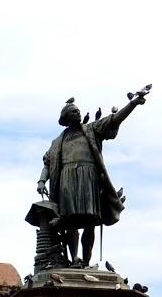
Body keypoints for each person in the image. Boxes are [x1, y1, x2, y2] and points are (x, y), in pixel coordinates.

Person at [37, 89, 147, 266]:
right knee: (70, 221)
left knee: (90, 221)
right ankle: (74, 260)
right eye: (74, 111)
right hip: (67, 180)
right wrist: (42, 180)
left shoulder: (91, 130)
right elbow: (48, 163)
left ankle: (86, 261)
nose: (78, 113)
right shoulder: (57, 142)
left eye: (79, 111)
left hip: (89, 178)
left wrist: (133, 103)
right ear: (65, 117)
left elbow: (114, 119)